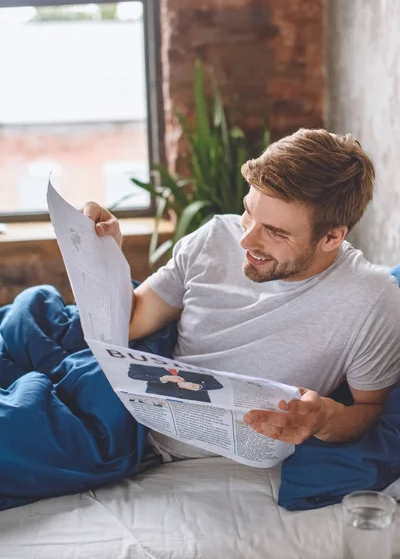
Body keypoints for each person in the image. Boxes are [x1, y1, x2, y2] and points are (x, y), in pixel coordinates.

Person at [83, 128, 400, 462]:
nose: (246, 241)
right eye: (249, 212)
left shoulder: (372, 301)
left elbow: (370, 409)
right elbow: (129, 323)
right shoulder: (215, 236)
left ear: (332, 237)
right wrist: (105, 253)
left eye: (275, 232)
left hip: (146, 445)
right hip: (117, 409)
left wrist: (324, 417)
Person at [127, 364, 223, 402]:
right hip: (161, 402)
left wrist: (197, 386)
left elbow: (217, 385)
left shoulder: (197, 362)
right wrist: (162, 378)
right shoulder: (145, 358)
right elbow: (133, 374)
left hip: (196, 403)